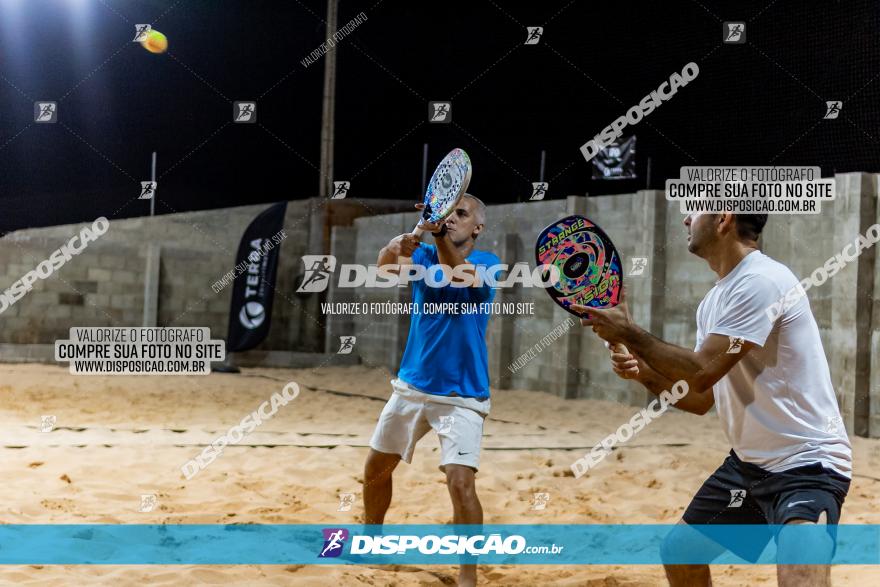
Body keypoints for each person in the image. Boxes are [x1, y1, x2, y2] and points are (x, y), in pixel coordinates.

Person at [575, 212, 852, 587]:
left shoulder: (763, 281)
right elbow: (700, 397)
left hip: (807, 466)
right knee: (681, 554)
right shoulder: (715, 300)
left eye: (695, 208)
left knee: (801, 578)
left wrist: (630, 332)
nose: (686, 218)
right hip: (749, 468)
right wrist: (642, 372)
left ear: (723, 218)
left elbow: (702, 370)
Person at [363, 194, 499, 587]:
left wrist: (435, 233)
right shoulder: (422, 256)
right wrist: (393, 246)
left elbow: (460, 274)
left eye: (462, 214)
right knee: (375, 469)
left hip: (462, 395)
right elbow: (384, 269)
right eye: (448, 212)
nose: (452, 218)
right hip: (412, 386)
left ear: (478, 227)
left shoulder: (488, 264)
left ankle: (467, 575)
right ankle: (372, 541)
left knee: (460, 481)